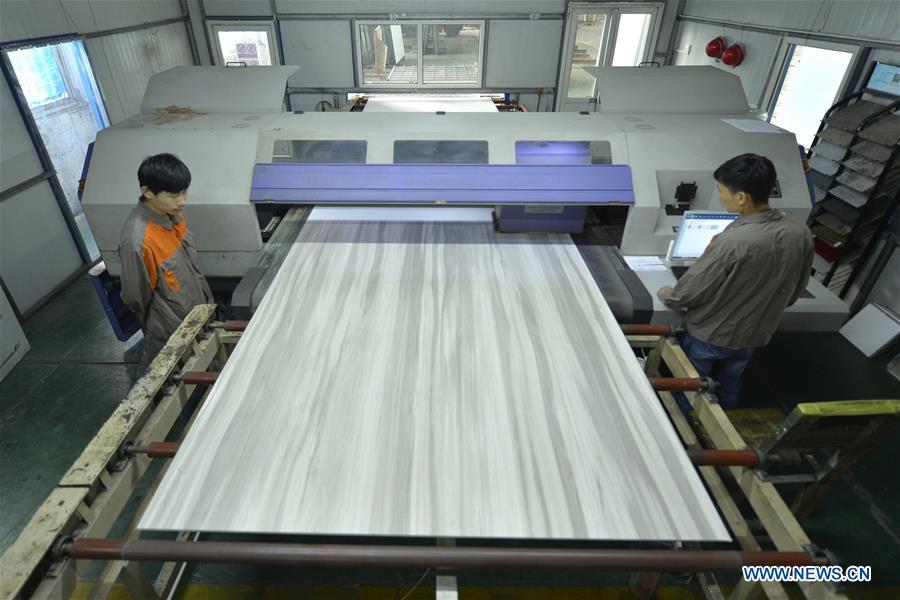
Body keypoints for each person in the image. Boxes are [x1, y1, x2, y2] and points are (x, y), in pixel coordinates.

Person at [657, 154, 813, 409]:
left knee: (691, 385)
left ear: (741, 197)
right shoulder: (800, 232)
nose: (719, 196)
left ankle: (682, 421)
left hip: (710, 335)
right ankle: (727, 414)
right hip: (754, 335)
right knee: (731, 383)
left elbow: (688, 293)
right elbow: (795, 290)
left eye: (720, 190)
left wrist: (667, 293)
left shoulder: (733, 241)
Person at [119, 153, 214, 373]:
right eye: (173, 195)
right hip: (171, 331)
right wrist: (161, 321)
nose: (182, 201)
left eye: (184, 192)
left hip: (197, 313)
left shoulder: (173, 214)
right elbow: (135, 297)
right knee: (176, 378)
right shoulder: (138, 241)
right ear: (147, 192)